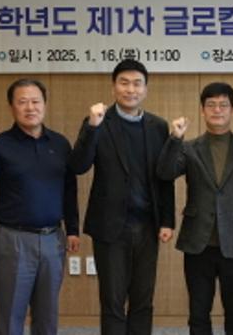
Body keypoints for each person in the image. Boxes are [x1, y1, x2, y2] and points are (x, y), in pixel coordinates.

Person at [68, 59, 175, 335]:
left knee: (143, 301)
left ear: (146, 89)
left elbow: (164, 177)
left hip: (147, 226)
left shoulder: (158, 126)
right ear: (114, 87)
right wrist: (92, 127)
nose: (131, 89)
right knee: (113, 302)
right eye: (124, 83)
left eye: (137, 84)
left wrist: (167, 220)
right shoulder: (98, 122)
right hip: (110, 227)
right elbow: (78, 165)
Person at [0, 78, 80, 335]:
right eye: (22, 102)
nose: (30, 107)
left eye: (35, 101)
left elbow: (69, 190)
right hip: (14, 239)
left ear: (44, 104)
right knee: (10, 315)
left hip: (53, 239)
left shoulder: (60, 143)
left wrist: (73, 229)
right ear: (11, 107)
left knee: (47, 316)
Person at [156, 82, 233, 335]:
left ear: (232, 110)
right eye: (211, 105)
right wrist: (175, 138)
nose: (217, 110)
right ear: (202, 110)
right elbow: (165, 172)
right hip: (197, 242)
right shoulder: (188, 147)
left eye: (223, 105)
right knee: (198, 312)